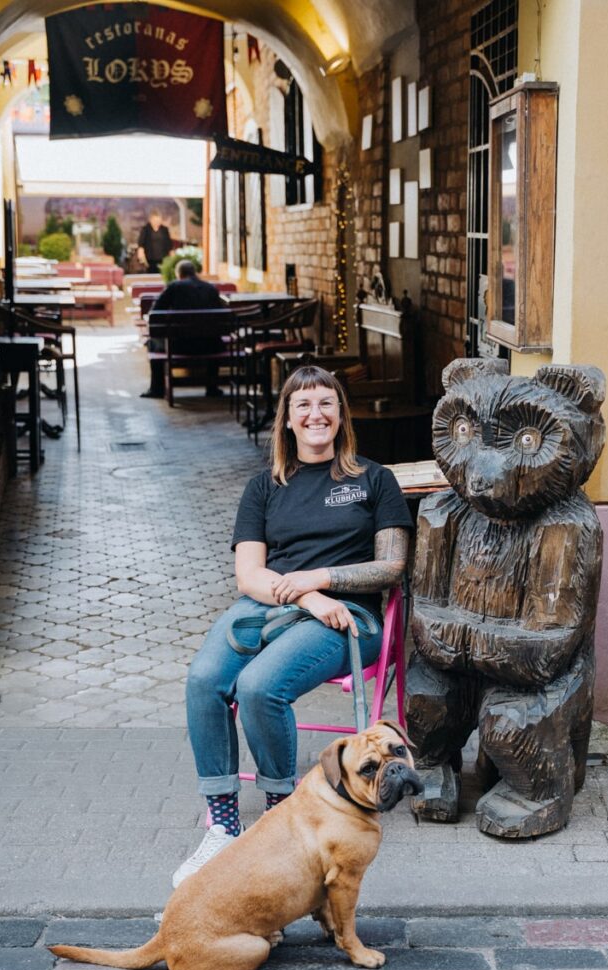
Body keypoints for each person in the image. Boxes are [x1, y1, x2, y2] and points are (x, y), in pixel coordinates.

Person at [172, 364, 413, 887]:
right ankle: (224, 823)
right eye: (303, 404)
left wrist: (322, 580)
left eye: (326, 403)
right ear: (286, 418)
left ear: (341, 414)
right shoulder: (264, 487)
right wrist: (306, 594)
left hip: (349, 617)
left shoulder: (374, 480)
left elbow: (391, 566)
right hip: (270, 607)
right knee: (204, 681)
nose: (315, 414)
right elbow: (249, 574)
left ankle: (281, 810)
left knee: (260, 687)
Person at [140, 259, 225, 399]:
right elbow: (221, 317)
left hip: (180, 346)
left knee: (152, 343)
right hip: (211, 346)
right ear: (195, 273)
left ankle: (157, 389)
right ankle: (212, 388)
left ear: (179, 275)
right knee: (211, 337)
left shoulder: (174, 287)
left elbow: (155, 313)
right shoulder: (211, 289)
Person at [137, 209, 172, 273]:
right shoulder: (145, 229)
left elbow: (169, 244)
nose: (157, 222)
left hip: (164, 258)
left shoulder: (165, 229)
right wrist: (141, 255)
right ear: (151, 220)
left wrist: (172, 256)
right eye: (155, 220)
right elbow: (141, 244)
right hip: (150, 259)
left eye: (159, 220)